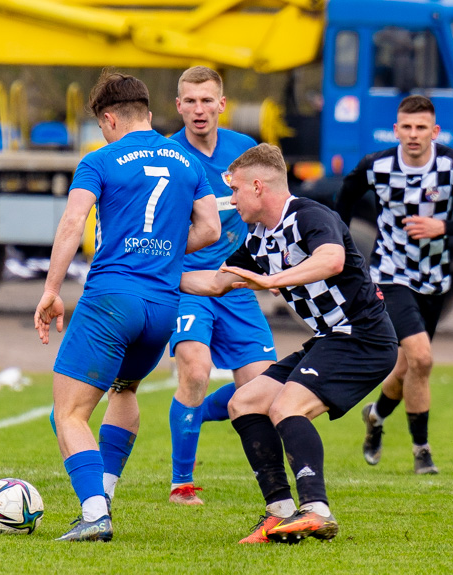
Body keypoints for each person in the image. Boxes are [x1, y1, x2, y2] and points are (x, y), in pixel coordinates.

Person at [34, 70, 220, 542]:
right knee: (124, 390)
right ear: (151, 114)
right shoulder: (186, 159)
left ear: (109, 118)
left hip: (112, 300)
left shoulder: (99, 160)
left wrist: (52, 290)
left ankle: (95, 513)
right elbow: (212, 230)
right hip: (162, 309)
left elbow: (74, 222)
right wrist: (163, 253)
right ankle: (106, 494)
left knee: (69, 413)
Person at [180, 143, 398, 544]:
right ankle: (279, 514)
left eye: (236, 190)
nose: (232, 200)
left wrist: (273, 280)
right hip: (330, 338)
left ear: (258, 186)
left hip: (363, 337)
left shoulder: (308, 215)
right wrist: (150, 273)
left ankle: (316, 509)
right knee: (243, 402)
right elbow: (214, 282)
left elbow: (331, 260)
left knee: (286, 406)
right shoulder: (259, 238)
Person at [335, 94, 453, 474]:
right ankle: (422, 452)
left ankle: (375, 416)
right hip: (390, 276)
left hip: (435, 281)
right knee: (422, 358)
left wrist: (444, 227)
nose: (412, 134)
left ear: (434, 131)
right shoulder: (376, 167)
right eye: (405, 127)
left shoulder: (452, 166)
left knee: (409, 368)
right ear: (395, 130)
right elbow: (340, 205)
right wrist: (338, 250)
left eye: (421, 127)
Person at [165, 66, 276, 505]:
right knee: (195, 368)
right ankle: (181, 483)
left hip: (236, 285)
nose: (198, 109)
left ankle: (196, 411)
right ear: (178, 106)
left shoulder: (244, 151)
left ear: (221, 105)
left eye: (206, 100)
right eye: (190, 101)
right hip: (190, 285)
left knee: (265, 389)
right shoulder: (169, 156)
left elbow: (266, 213)